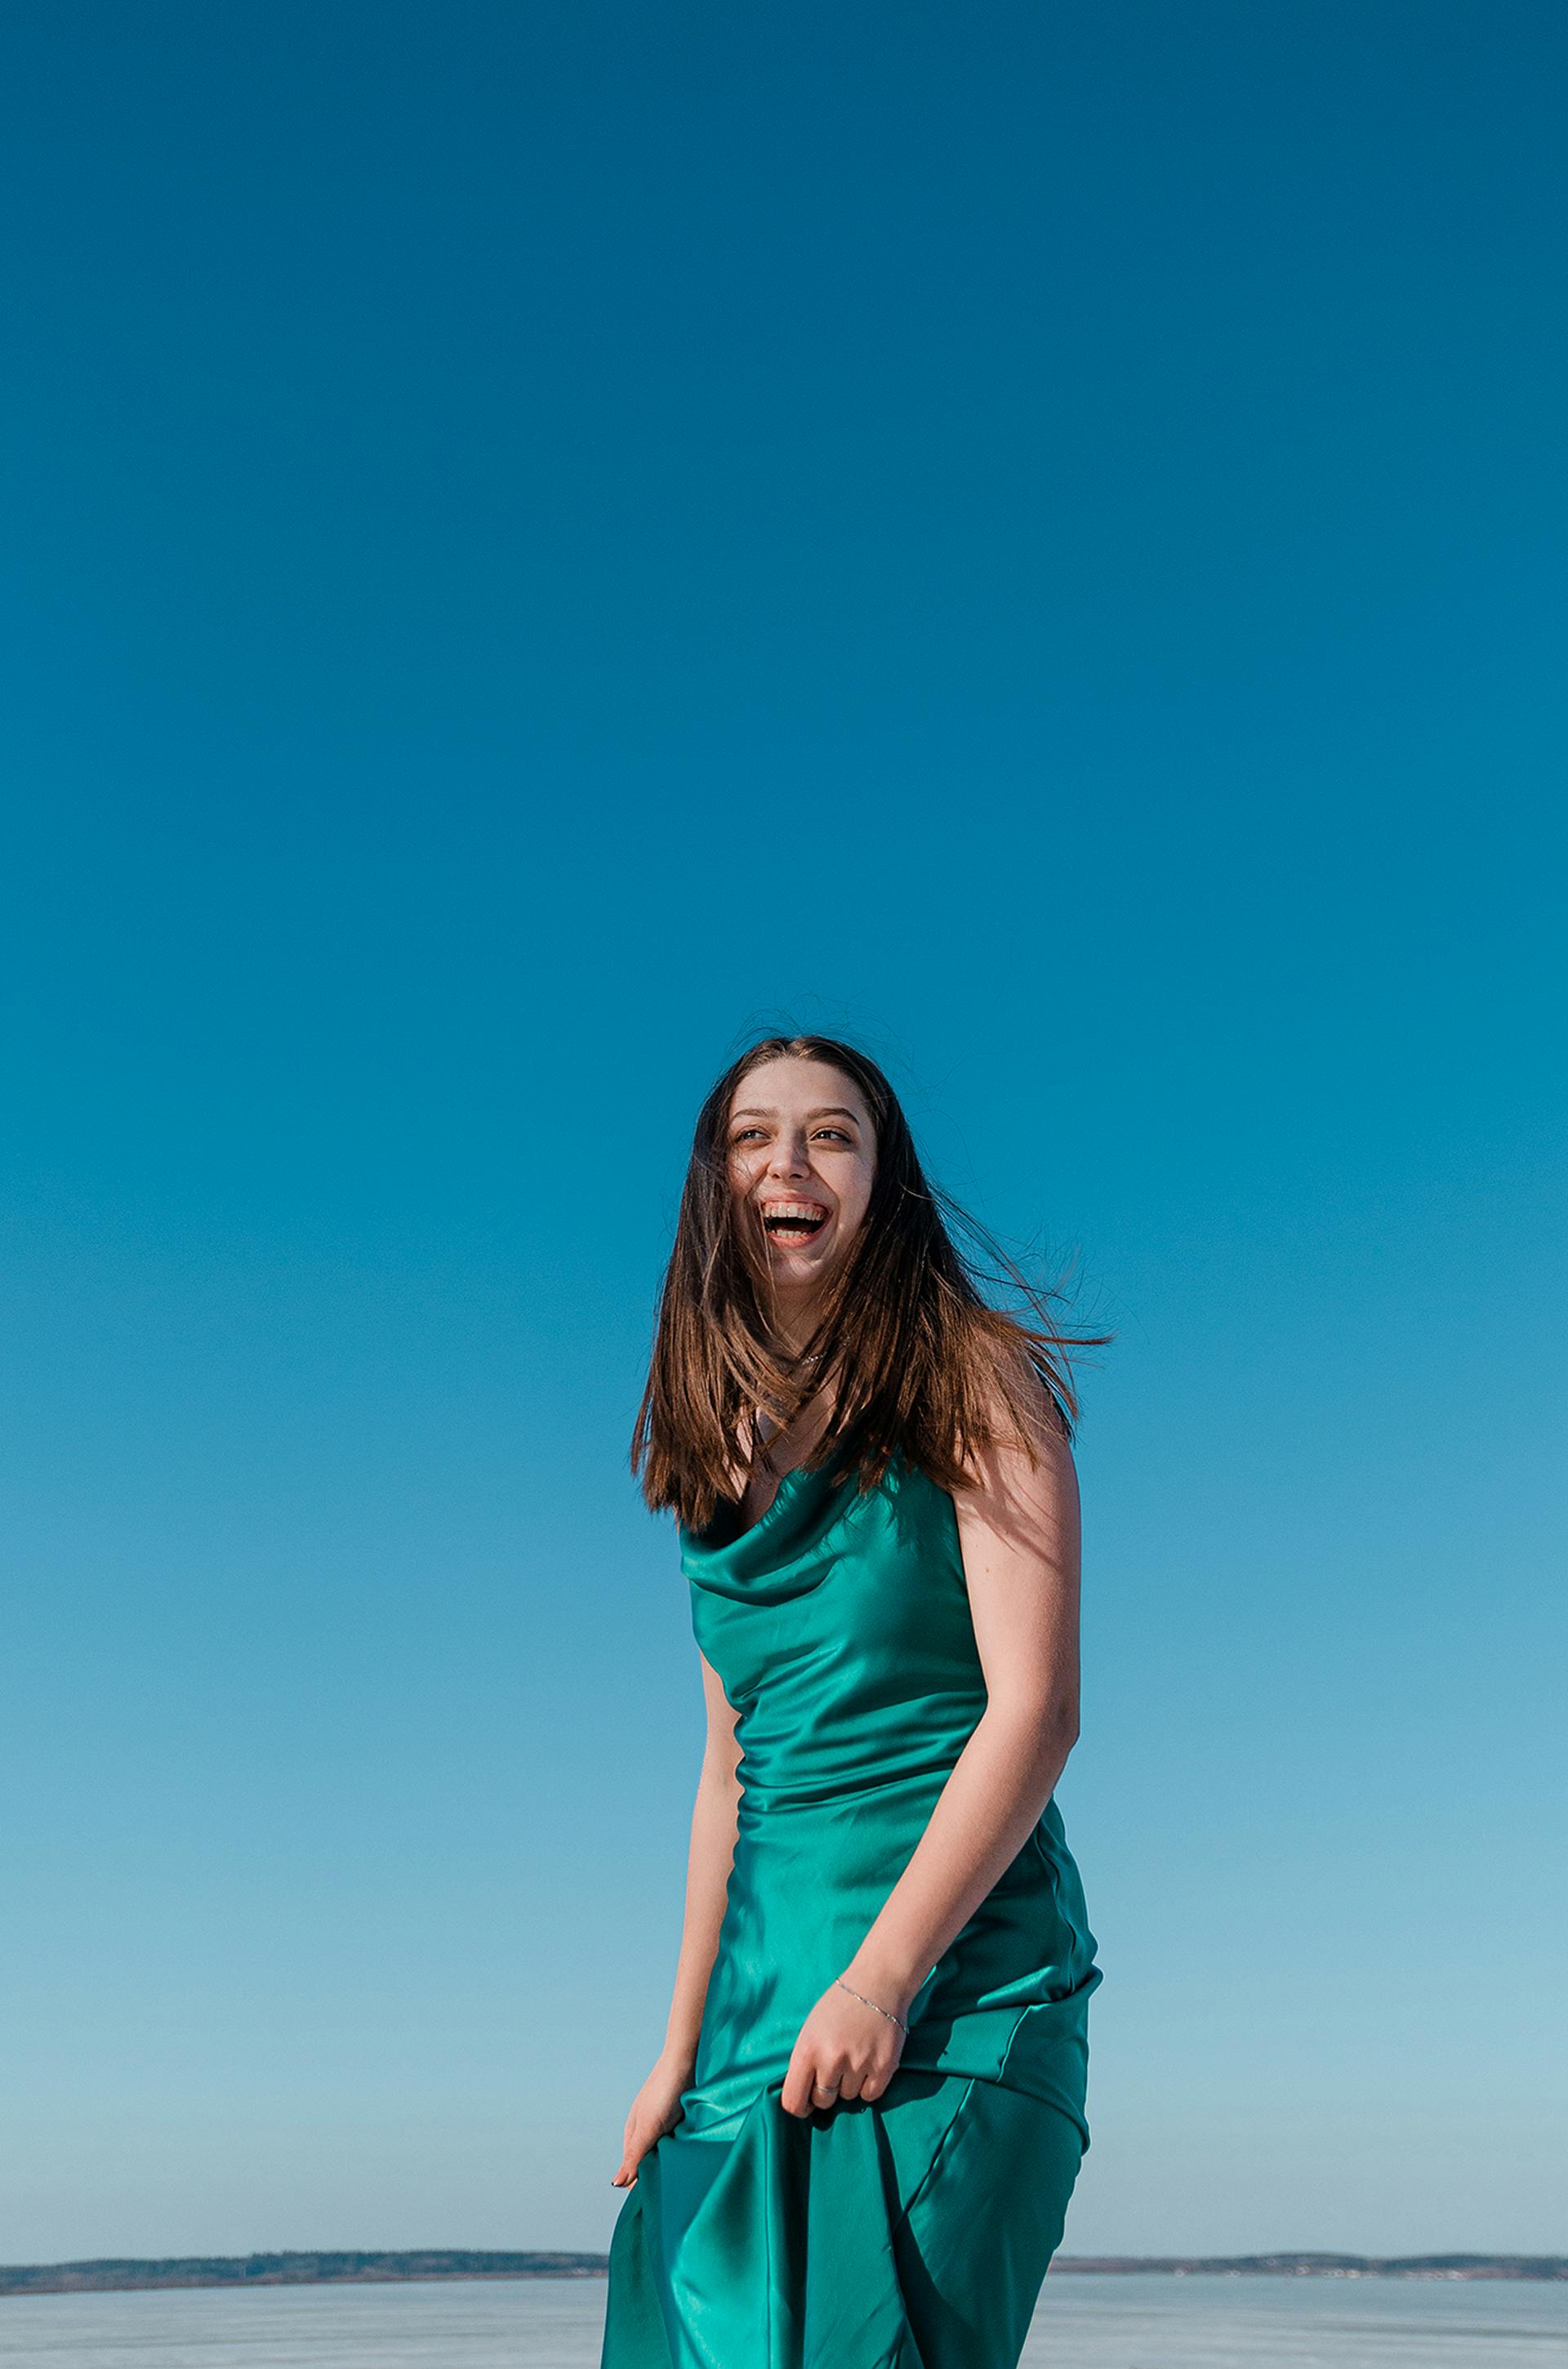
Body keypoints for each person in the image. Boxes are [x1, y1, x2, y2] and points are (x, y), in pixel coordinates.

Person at [599, 1032, 1105, 2369]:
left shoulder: (973, 1380)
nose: (791, 1157)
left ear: (883, 1184)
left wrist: (883, 1983)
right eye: (756, 1134)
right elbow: (730, 1778)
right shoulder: (709, 1450)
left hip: (959, 1994)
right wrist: (674, 2052)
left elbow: (1035, 1711)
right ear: (719, 1185)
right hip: (751, 2022)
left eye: (833, 1133)